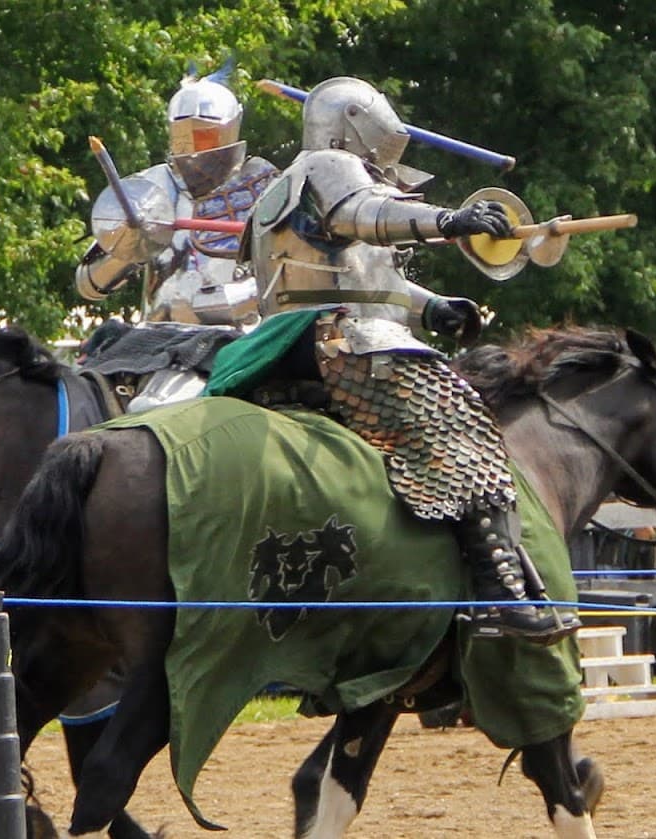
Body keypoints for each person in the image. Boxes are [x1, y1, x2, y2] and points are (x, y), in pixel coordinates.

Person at [211, 76, 578, 643]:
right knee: (465, 434)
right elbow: (367, 214)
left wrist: (433, 308)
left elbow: (363, 278)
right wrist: (449, 221)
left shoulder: (281, 190)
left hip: (287, 341)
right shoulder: (329, 166)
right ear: (354, 125)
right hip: (341, 340)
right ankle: (500, 595)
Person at [74, 68, 280, 413]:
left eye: (203, 135)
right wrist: (129, 244)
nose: (191, 147)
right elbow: (88, 284)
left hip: (237, 340)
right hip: (151, 341)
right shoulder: (149, 187)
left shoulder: (267, 188)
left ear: (229, 130)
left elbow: (284, 273)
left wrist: (233, 300)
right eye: (182, 136)